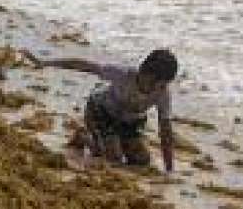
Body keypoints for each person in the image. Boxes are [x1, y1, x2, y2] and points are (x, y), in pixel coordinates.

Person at [20, 49, 178, 172]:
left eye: (164, 84)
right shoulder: (123, 74)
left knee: (141, 160)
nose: (161, 88)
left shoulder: (163, 93)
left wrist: (169, 169)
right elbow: (84, 65)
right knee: (113, 158)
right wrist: (45, 62)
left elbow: (165, 131)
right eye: (159, 83)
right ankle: (84, 137)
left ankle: (110, 140)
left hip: (128, 121)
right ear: (146, 74)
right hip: (100, 111)